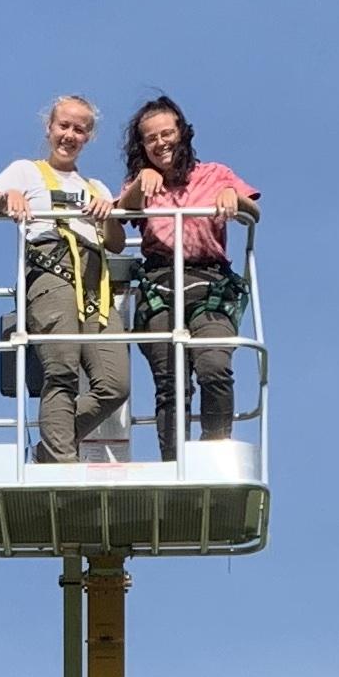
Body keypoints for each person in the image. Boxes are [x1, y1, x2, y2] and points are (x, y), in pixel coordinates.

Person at [0, 95, 128, 462]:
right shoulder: (26, 171)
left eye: (79, 129)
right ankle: (62, 461)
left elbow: (116, 243)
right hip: (51, 273)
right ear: (50, 128)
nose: (70, 135)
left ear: (88, 136)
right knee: (62, 371)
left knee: (114, 383)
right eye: (64, 126)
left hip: (95, 287)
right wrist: (8, 196)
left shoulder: (97, 187)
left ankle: (49, 447)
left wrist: (108, 215)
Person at [114, 96, 259, 460]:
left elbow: (253, 210)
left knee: (214, 366)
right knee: (171, 384)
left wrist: (233, 197)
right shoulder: (140, 181)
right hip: (160, 282)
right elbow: (118, 218)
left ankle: (213, 453)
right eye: (151, 138)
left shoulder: (215, 174)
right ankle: (174, 462)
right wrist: (140, 183)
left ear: (182, 134)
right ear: (142, 146)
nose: (160, 142)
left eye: (167, 133)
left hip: (208, 282)